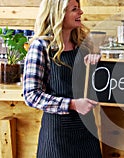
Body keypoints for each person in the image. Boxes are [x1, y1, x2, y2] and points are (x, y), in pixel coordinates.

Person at [23, 0, 102, 157]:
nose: (81, 12)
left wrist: (97, 67)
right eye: (75, 9)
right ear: (59, 14)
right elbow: (31, 95)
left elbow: (95, 89)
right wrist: (72, 104)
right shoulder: (41, 47)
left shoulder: (84, 46)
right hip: (57, 136)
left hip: (86, 131)